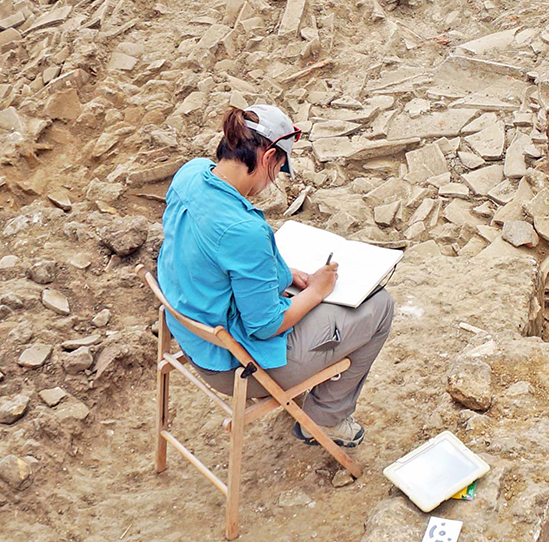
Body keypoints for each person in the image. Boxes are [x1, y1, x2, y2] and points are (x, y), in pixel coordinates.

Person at [157, 105, 395, 448]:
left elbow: (214, 253)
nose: (274, 180)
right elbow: (266, 325)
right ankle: (325, 420)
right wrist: (316, 290)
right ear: (269, 156)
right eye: (278, 170)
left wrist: (283, 272)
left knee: (323, 297)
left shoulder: (191, 174)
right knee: (380, 306)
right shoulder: (245, 231)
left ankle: (322, 409)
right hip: (233, 364)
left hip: (193, 334)